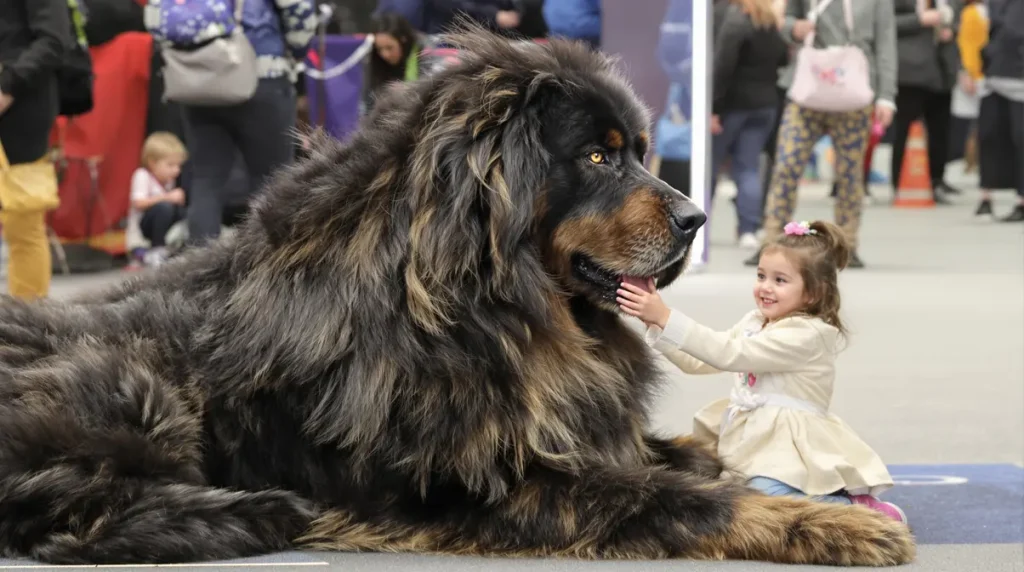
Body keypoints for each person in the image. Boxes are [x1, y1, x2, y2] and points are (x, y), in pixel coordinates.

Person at [617, 219, 906, 523]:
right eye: (761, 276)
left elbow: (730, 354)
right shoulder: (756, 321)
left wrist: (666, 316)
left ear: (813, 292)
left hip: (788, 444)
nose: (765, 287)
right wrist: (655, 322)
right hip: (755, 434)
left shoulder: (809, 334)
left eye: (780, 280)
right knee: (734, 491)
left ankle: (855, 508)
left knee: (765, 495)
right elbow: (702, 361)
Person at [146, 0, 317, 246]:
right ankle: (268, 266)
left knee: (206, 181)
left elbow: (155, 16)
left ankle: (198, 269)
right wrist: (297, 49)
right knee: (272, 181)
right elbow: (299, 12)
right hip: (262, 77)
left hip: (199, 81)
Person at [750, 0, 898, 269]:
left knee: (850, 174)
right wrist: (795, 28)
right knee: (786, 164)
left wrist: (887, 96)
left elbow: (886, 42)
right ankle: (771, 240)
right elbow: (785, 21)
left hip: (855, 91)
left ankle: (847, 244)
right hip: (807, 89)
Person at [0, 0, 69, 299]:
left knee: (23, 220)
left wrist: (7, 87)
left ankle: (26, 320)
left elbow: (54, 39)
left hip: (21, 105)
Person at [710, 0, 789, 250]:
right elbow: (784, 59)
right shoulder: (771, 26)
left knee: (710, 167)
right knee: (749, 168)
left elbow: (723, 66)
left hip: (733, 106)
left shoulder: (736, 24)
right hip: (765, 106)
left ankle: (698, 228)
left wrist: (714, 109)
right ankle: (748, 230)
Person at [888, 0, 963, 205]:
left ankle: (937, 180)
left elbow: (959, 17)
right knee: (904, 129)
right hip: (910, 72)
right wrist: (920, 20)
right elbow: (886, 23)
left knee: (941, 130)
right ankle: (900, 182)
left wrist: (951, 29)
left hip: (942, 70)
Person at [974, 0, 1023, 222]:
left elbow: (1012, 30)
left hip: (1018, 76)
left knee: (1020, 139)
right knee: (988, 135)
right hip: (994, 76)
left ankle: (1021, 200)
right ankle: (986, 197)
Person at [126, 132, 188, 268]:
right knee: (164, 207)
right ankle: (157, 249)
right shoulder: (142, 175)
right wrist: (168, 197)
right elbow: (138, 203)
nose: (176, 170)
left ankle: (178, 246)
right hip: (143, 231)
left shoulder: (168, 182)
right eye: (170, 165)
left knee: (182, 212)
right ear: (152, 163)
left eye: (178, 166)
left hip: (161, 224)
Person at [362, 13, 431, 114]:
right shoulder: (375, 59)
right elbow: (368, 101)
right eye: (379, 49)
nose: (384, 54)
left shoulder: (426, 54)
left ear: (403, 40)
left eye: (389, 48)